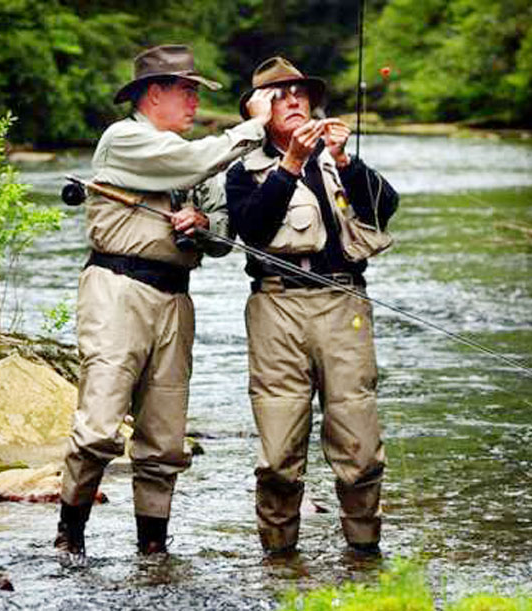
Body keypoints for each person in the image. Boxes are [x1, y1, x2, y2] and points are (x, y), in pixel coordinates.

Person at [56, 44, 275, 559]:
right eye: (188, 91)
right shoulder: (125, 139)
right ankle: (71, 537)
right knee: (99, 428)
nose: (196, 101)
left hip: (175, 299)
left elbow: (222, 237)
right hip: (117, 291)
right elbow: (192, 163)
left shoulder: (192, 156)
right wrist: (255, 127)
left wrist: (201, 227)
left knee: (164, 439)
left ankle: (153, 549)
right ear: (154, 94)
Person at [225, 57, 399, 558]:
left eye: (301, 93)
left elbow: (384, 207)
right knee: (279, 455)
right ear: (259, 111)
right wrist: (291, 166)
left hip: (344, 304)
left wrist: (347, 163)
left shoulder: (336, 159)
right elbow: (252, 229)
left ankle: (365, 560)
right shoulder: (243, 171)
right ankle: (279, 564)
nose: (295, 101)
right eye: (280, 96)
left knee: (359, 447)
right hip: (275, 308)